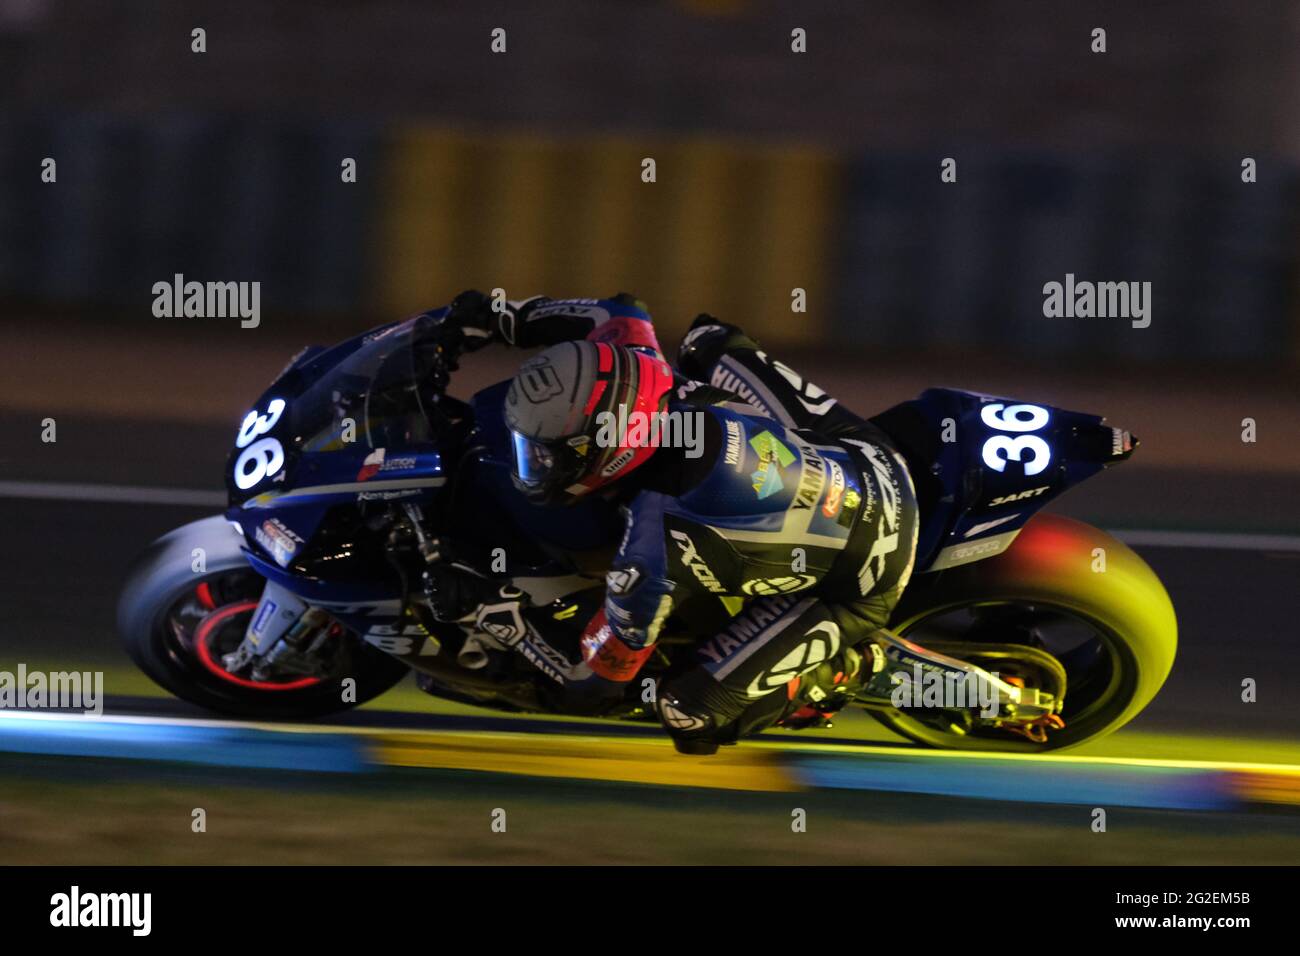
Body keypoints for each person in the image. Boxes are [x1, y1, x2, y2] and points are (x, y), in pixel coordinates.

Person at [436, 289, 920, 754]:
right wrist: (505, 317)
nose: (534, 467)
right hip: (870, 456)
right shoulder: (640, 369)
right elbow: (617, 312)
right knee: (709, 339)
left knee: (688, 712)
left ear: (609, 450)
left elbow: (596, 683)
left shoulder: (651, 551)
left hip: (863, 579)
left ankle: (854, 668)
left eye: (544, 455)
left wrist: (505, 618)